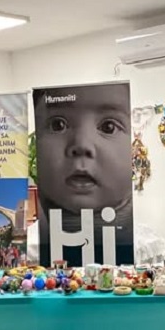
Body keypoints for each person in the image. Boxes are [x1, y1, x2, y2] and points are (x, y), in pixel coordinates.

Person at [32, 82, 134, 266]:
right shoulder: (32, 246)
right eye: (57, 125)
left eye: (108, 127)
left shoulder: (144, 244)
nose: (81, 144)